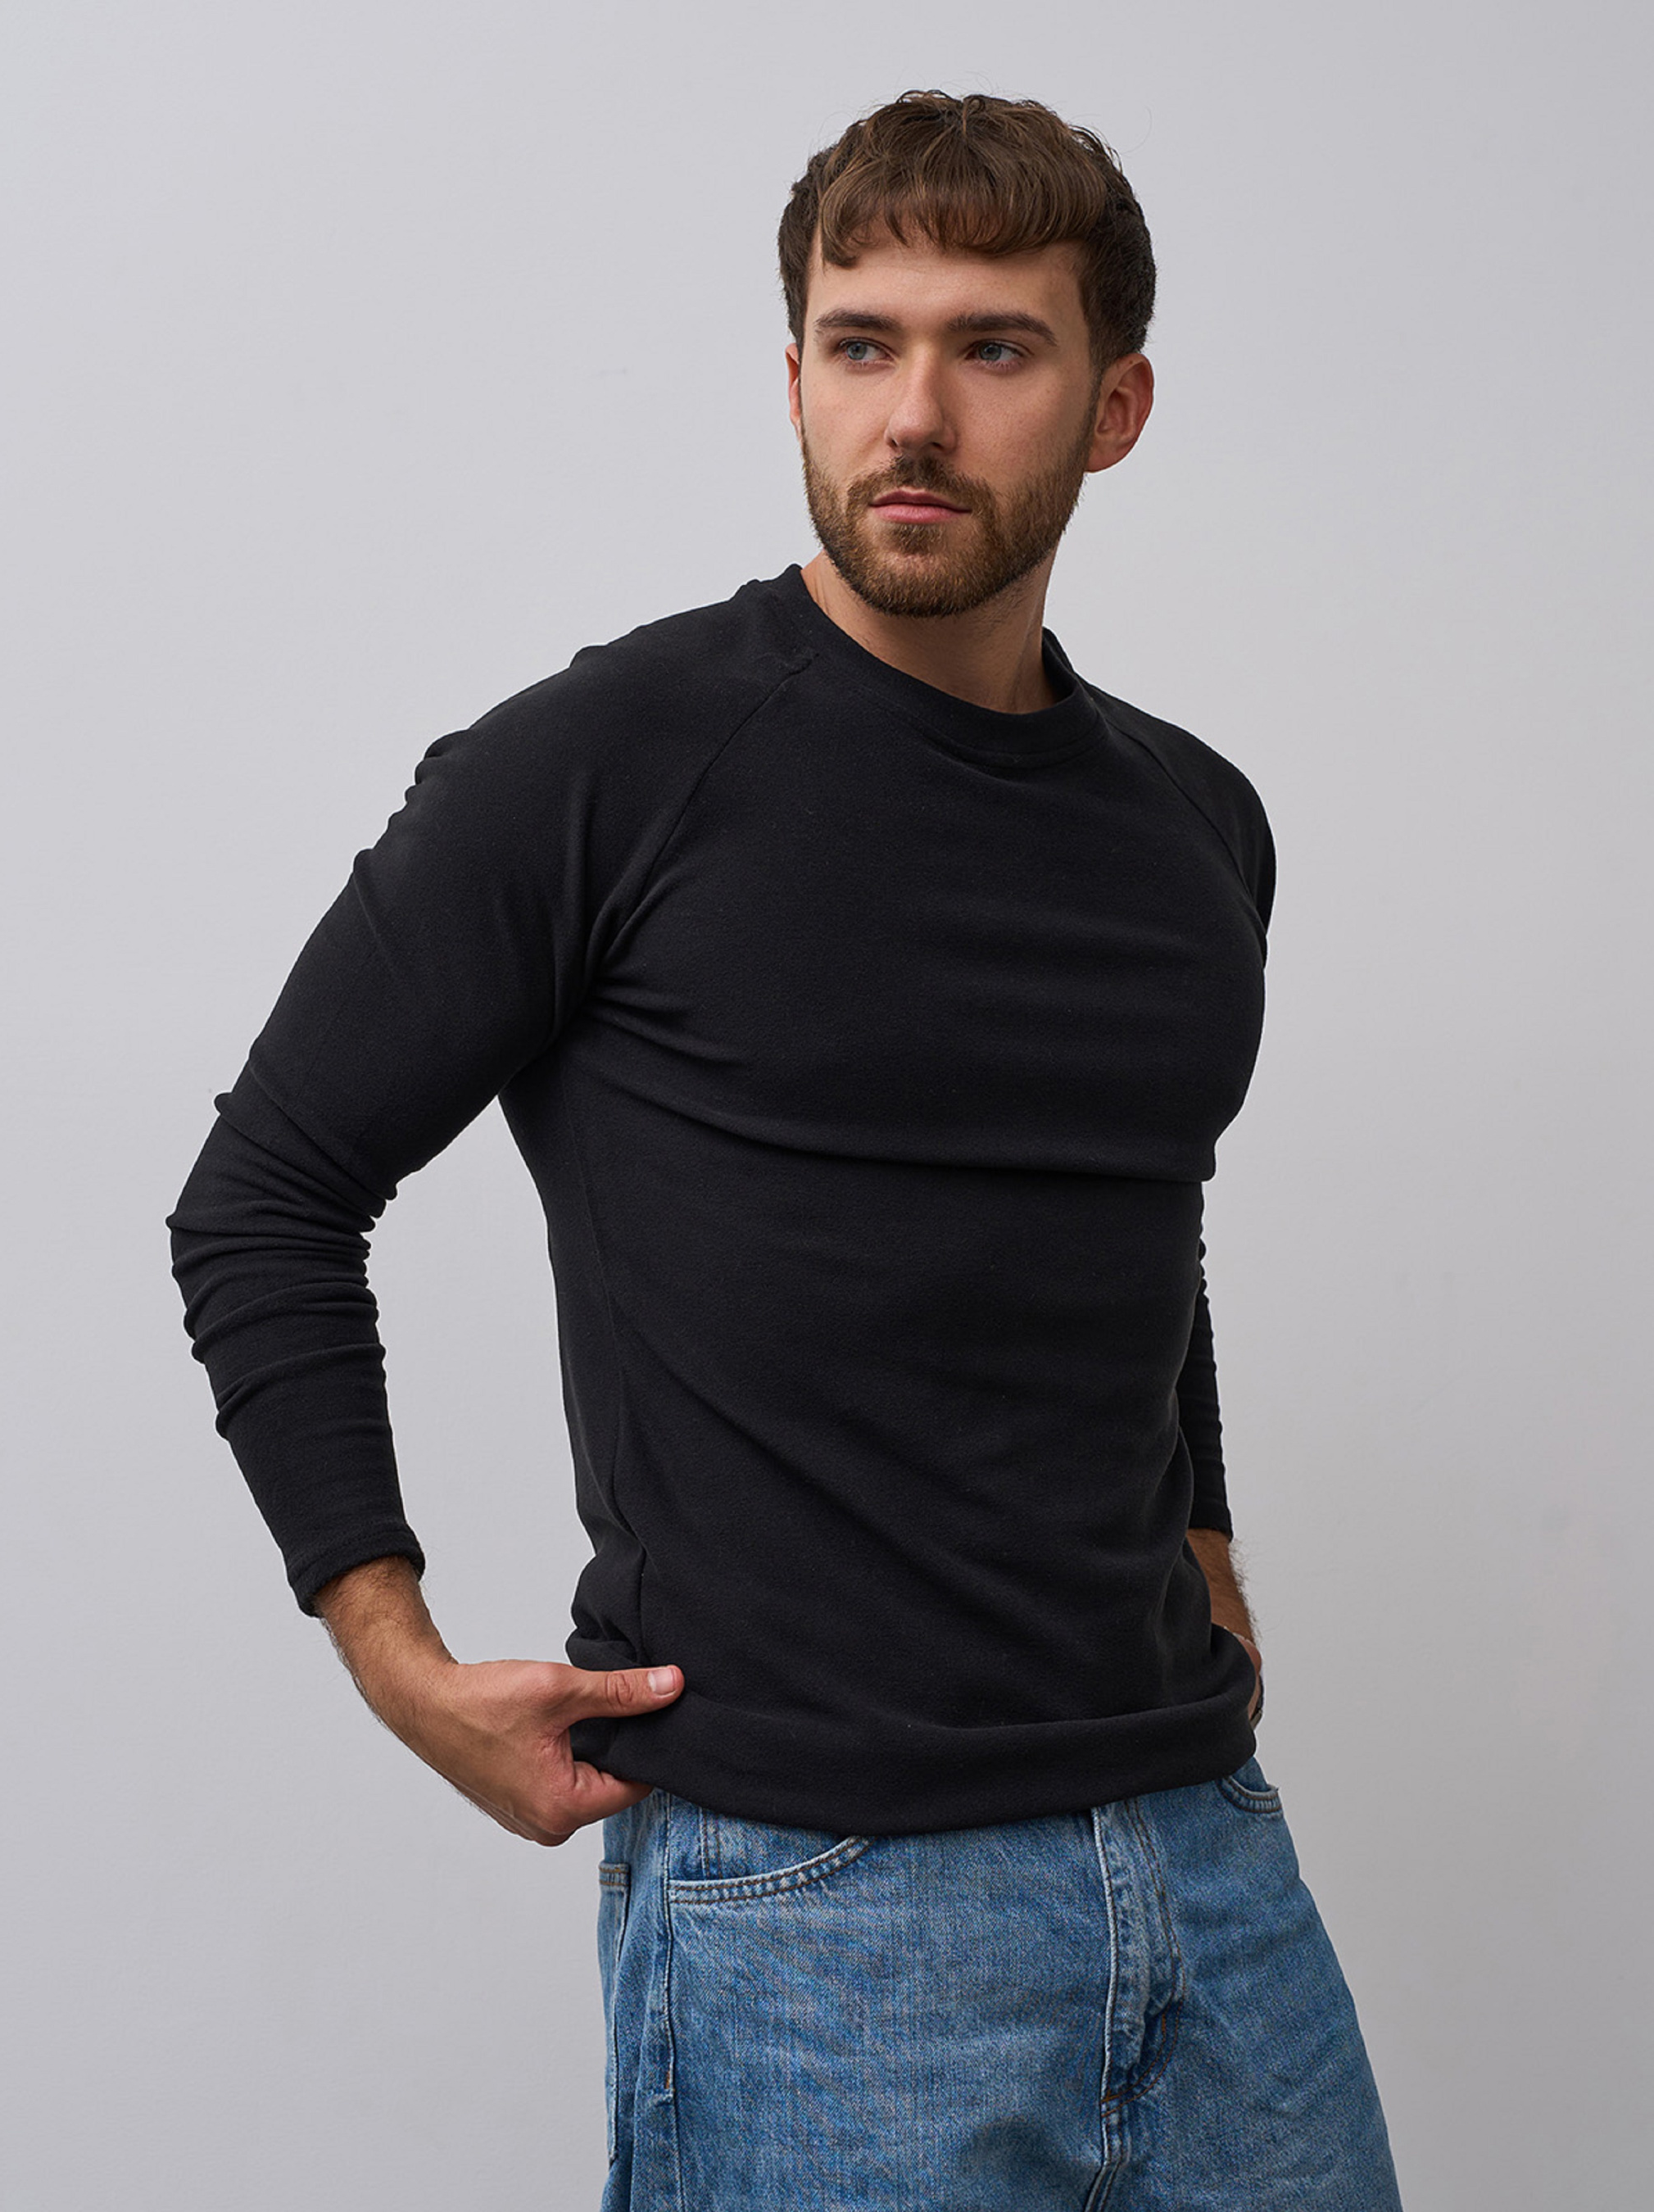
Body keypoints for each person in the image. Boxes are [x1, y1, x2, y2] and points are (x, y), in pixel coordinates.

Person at [169, 87, 1403, 2212]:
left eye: (991, 349)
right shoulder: (602, 766)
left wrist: (1200, 1532)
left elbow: (1131, 1215)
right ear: (798, 377)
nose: (913, 414)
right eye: (861, 343)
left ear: (1111, 406)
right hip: (814, 1900)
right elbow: (266, 1193)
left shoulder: (1198, 824)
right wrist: (394, 1655)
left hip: (1201, 1858)